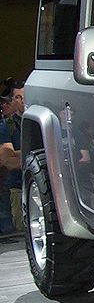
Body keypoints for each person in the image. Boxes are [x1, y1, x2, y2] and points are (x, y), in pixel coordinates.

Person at [0, 82, 24, 232]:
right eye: (17, 97)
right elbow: (7, 160)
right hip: (16, 187)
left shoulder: (39, 122)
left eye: (24, 97)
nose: (22, 101)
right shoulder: (7, 125)